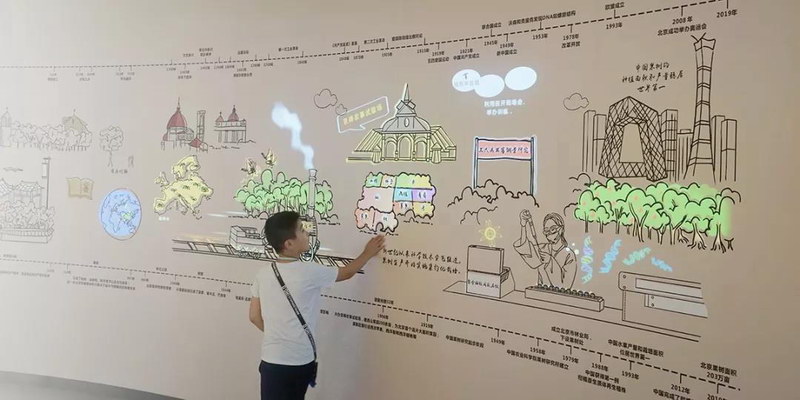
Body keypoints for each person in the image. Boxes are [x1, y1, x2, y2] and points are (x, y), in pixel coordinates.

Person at [248, 211, 385, 399]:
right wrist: (367, 253)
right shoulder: (308, 271)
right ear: (289, 244)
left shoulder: (263, 274)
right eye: (301, 230)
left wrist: (277, 333)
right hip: (299, 360)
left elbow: (254, 316)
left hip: (271, 360)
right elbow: (346, 273)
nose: (307, 233)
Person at [513, 210, 577, 289]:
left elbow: (565, 285)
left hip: (558, 296)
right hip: (540, 293)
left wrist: (550, 261)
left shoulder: (569, 255)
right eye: (546, 230)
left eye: (553, 229)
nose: (549, 233)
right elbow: (524, 248)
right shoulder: (542, 248)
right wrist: (523, 225)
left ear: (561, 229)